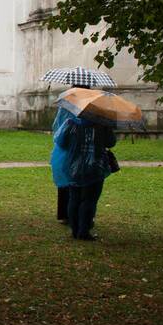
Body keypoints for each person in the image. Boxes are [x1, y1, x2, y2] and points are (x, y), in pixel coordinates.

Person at [52, 114, 117, 240]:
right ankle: (84, 231)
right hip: (95, 167)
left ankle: (75, 230)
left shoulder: (70, 123)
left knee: (74, 197)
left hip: (73, 166)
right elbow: (111, 142)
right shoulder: (102, 125)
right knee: (90, 200)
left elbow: (61, 142)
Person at [52, 84, 91, 224]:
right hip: (86, 150)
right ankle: (83, 217)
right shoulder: (92, 107)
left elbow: (57, 127)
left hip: (66, 148)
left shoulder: (66, 104)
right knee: (84, 184)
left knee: (67, 181)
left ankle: (65, 215)